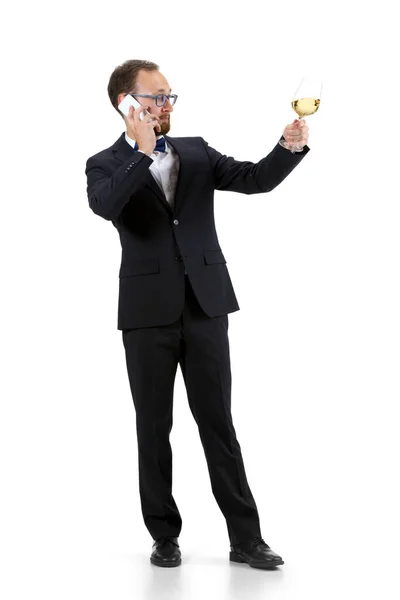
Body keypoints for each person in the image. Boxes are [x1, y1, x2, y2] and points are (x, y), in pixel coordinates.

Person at [85, 59, 310, 570]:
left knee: (218, 424)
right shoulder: (103, 164)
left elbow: (255, 180)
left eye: (170, 96)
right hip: (146, 315)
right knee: (153, 427)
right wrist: (141, 153)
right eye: (156, 96)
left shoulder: (196, 150)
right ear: (126, 103)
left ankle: (246, 539)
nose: (166, 104)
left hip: (206, 306)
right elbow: (107, 205)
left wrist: (288, 146)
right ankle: (164, 535)